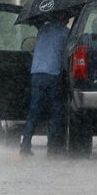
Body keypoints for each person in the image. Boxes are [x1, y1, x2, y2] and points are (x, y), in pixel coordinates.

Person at [20, 12, 70, 156]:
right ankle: (53, 148)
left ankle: (25, 145)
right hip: (53, 74)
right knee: (56, 111)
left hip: (36, 74)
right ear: (64, 18)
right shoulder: (65, 33)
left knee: (34, 111)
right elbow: (65, 55)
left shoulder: (42, 30)